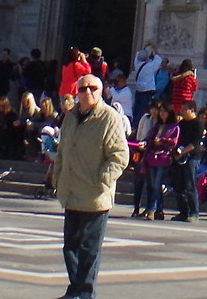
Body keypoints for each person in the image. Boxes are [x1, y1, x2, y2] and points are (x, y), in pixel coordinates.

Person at [51, 72, 131, 299]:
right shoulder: (70, 117)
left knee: (89, 249)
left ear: (102, 90)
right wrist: (57, 176)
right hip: (72, 189)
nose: (88, 92)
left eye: (93, 88)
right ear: (76, 92)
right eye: (83, 88)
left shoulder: (109, 118)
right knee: (70, 247)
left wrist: (102, 180)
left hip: (95, 194)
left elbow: (119, 156)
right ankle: (76, 288)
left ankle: (84, 293)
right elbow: (62, 151)